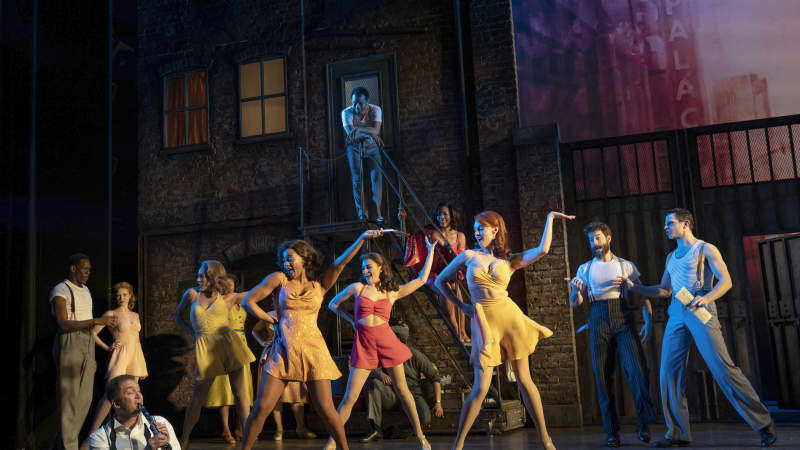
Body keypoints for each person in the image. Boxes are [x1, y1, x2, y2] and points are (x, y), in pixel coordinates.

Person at [616, 209, 776, 448]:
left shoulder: (705, 249)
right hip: (676, 314)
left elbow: (727, 281)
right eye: (665, 224)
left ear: (686, 223)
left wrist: (708, 297)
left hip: (701, 311)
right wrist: (635, 288)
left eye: (670, 223)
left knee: (723, 369)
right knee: (668, 373)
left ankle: (764, 424)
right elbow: (664, 290)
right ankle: (677, 433)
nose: (666, 227)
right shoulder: (671, 257)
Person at [435, 210, 574, 450]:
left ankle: (545, 438)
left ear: (495, 230)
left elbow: (542, 250)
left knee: (524, 380)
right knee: (480, 388)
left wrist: (549, 217)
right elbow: (440, 282)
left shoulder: (509, 260)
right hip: (483, 322)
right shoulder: (468, 256)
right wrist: (463, 307)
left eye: (482, 228)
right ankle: (457, 445)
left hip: (509, 318)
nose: (477, 232)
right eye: (475, 228)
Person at [240, 229, 388, 450]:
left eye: (290, 258)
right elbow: (248, 302)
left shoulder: (319, 285)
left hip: (313, 350)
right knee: (261, 408)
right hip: (283, 349)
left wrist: (361, 239)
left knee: (327, 410)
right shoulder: (278, 279)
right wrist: (272, 322)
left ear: (304, 259)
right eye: (283, 259)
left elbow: (339, 264)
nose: (286, 262)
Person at [326, 237, 438, 450]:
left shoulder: (391, 292)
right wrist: (352, 320)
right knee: (350, 397)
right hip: (365, 344)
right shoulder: (357, 288)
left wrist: (430, 251)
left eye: (369, 267)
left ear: (380, 269)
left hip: (387, 342)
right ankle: (333, 441)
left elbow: (422, 279)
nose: (365, 270)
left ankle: (421, 437)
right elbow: (333, 304)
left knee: (403, 391)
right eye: (363, 268)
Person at [568, 222, 655, 447]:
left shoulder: (625, 266)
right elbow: (576, 303)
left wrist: (648, 320)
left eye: (597, 238)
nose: (594, 244)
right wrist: (576, 290)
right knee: (603, 378)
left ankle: (643, 424)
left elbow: (642, 293)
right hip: (597, 318)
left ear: (608, 238)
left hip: (622, 316)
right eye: (590, 240)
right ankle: (612, 433)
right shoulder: (585, 269)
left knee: (637, 371)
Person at [173, 261, 256, 448]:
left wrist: (277, 284)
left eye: (202, 275)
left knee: (241, 396)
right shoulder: (192, 294)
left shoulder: (227, 298)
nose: (198, 279)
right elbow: (178, 316)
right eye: (198, 275)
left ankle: (248, 443)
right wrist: (192, 332)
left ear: (213, 277)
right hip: (206, 349)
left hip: (229, 346)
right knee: (197, 399)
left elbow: (255, 294)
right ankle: (184, 439)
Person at [50, 253, 118, 450]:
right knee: (69, 398)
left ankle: (60, 441)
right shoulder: (61, 289)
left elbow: (87, 323)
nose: (88, 273)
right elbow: (63, 323)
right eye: (84, 269)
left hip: (86, 343)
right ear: (73, 268)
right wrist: (97, 321)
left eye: (89, 269)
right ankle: (69, 445)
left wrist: (92, 356)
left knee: (85, 399)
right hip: (70, 340)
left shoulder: (86, 291)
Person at [83, 282, 149, 447]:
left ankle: (125, 436)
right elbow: (92, 333)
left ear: (130, 296)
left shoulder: (135, 316)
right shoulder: (111, 314)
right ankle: (90, 438)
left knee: (130, 396)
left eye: (125, 295)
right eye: (118, 295)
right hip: (120, 355)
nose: (121, 298)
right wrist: (107, 347)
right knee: (109, 395)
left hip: (135, 354)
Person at [361, 324, 444, 443]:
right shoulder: (384, 353)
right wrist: (380, 374)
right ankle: (375, 429)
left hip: (413, 395)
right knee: (372, 382)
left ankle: (395, 431)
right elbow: (369, 368)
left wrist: (438, 403)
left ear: (398, 340)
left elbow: (435, 377)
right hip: (392, 395)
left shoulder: (415, 355)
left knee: (425, 417)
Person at [400, 203, 470, 342]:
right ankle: (456, 330)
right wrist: (403, 221)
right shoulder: (430, 232)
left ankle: (463, 331)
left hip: (451, 273)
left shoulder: (460, 236)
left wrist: (451, 250)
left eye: (445, 214)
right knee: (446, 289)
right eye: (439, 214)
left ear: (451, 216)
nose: (441, 217)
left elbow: (461, 257)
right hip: (432, 273)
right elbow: (412, 239)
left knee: (458, 293)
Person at [251, 314, 316, 441]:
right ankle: (279, 429)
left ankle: (301, 427)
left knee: (296, 393)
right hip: (273, 356)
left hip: (291, 355)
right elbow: (254, 330)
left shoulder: (292, 312)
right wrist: (263, 342)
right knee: (274, 397)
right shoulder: (268, 314)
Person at [204, 275, 254, 443]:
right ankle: (226, 430)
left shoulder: (242, 302)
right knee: (224, 389)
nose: (231, 288)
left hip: (241, 346)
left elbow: (253, 294)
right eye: (228, 285)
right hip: (226, 345)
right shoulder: (221, 302)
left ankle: (242, 428)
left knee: (243, 390)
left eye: (233, 285)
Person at [88, 374, 181, 450]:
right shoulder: (100, 438)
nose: (138, 396)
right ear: (116, 404)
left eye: (139, 391)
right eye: (130, 392)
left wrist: (167, 447)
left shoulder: (161, 422)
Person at [341, 86, 384, 222]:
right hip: (354, 147)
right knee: (357, 178)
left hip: (372, 146)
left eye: (359, 103)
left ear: (367, 101)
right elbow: (352, 135)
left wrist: (360, 129)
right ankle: (362, 215)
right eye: (354, 102)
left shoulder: (375, 109)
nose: (356, 106)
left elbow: (376, 130)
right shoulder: (346, 113)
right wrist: (371, 132)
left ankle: (377, 214)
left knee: (377, 176)